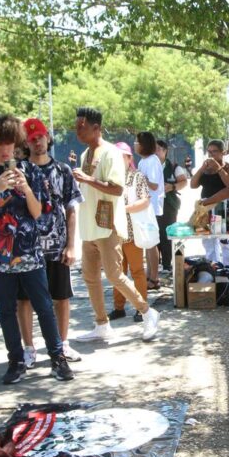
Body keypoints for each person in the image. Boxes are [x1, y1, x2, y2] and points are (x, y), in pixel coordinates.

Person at [0, 115, 73, 384]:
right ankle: (15, 361)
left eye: (9, 143)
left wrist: (26, 188)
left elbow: (38, 213)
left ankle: (57, 358)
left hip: (31, 253)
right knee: (7, 309)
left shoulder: (32, 172)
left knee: (44, 306)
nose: (5, 149)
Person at [70, 107, 160, 343]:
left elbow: (117, 189)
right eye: (76, 126)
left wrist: (87, 179)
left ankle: (148, 312)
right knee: (90, 277)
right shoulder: (85, 154)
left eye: (82, 126)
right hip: (89, 226)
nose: (77, 130)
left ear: (96, 128)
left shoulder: (111, 153)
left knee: (114, 274)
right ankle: (102, 324)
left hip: (107, 224)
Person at [16, 118, 84, 367]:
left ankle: (62, 343)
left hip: (57, 246)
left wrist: (71, 245)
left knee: (61, 297)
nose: (37, 142)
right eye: (32, 139)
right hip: (27, 248)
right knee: (24, 299)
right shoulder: (19, 171)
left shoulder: (62, 170)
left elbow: (71, 208)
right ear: (26, 143)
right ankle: (28, 348)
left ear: (47, 138)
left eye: (41, 137)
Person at [109, 141, 151, 322]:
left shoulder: (137, 176)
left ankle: (142, 308)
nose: (119, 161)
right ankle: (118, 308)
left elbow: (145, 200)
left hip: (133, 231)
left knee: (137, 271)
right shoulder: (109, 178)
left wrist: (124, 209)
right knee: (117, 272)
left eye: (122, 157)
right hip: (115, 232)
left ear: (129, 158)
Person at [189, 139, 229, 265]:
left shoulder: (228, 168)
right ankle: (213, 267)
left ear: (222, 152)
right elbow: (193, 185)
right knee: (208, 241)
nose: (211, 154)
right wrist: (202, 169)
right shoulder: (206, 169)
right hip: (206, 208)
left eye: (214, 151)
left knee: (226, 241)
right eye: (209, 152)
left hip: (223, 207)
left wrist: (219, 168)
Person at [135, 131, 164, 290]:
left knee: (152, 243)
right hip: (144, 206)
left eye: (137, 142)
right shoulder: (143, 161)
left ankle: (154, 278)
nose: (135, 145)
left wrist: (139, 178)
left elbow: (154, 185)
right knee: (147, 242)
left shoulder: (152, 161)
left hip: (151, 207)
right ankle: (148, 275)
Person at [156, 139, 187, 273]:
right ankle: (155, 263)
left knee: (167, 233)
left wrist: (173, 186)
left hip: (169, 204)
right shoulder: (148, 166)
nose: (155, 152)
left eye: (158, 149)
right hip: (152, 205)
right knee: (154, 233)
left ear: (165, 151)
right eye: (153, 149)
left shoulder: (174, 167)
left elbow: (184, 182)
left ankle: (167, 264)